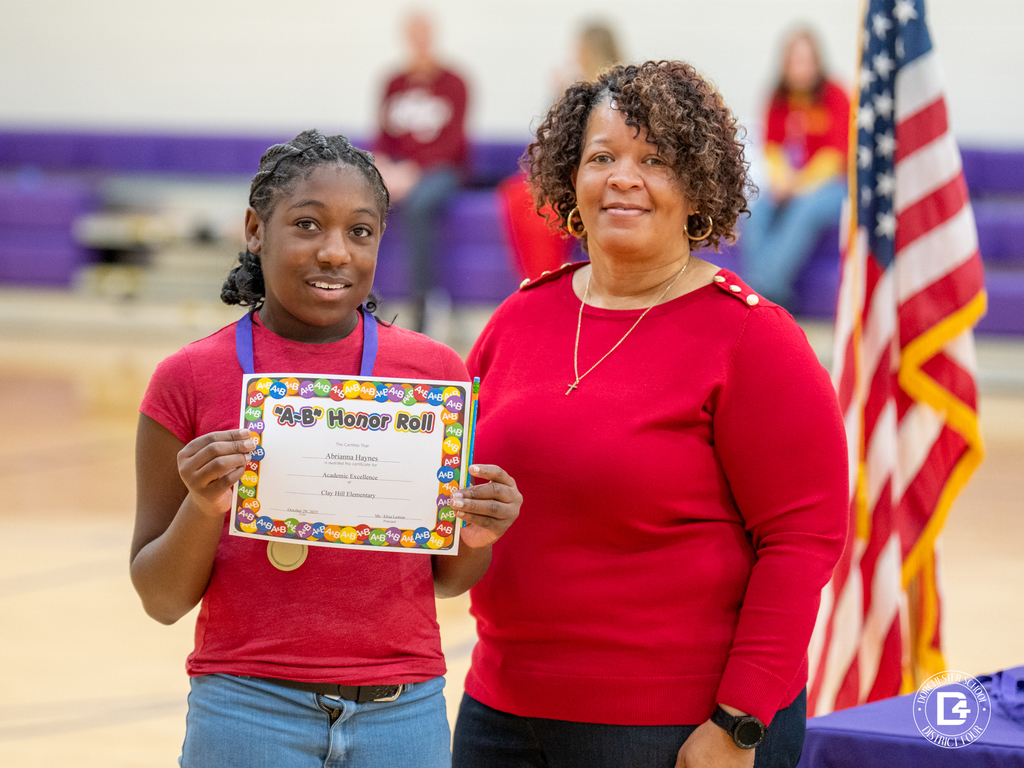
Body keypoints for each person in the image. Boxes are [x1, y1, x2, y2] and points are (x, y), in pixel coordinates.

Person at [451, 62, 849, 768]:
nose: (622, 178)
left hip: (676, 725)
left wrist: (739, 723)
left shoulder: (754, 339)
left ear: (698, 187)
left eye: (654, 160)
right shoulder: (519, 318)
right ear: (570, 178)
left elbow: (803, 541)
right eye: (601, 157)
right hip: (500, 714)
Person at [130, 129, 521, 767]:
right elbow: (161, 599)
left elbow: (448, 580)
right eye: (308, 225)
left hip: (402, 712)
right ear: (256, 229)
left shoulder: (433, 377)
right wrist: (203, 506)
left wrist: (480, 534)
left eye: (360, 232)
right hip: (245, 708)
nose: (335, 252)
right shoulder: (188, 379)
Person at [499, 20, 624, 282]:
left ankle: (544, 280)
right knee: (518, 193)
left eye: (579, 49)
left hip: (596, 170)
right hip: (570, 168)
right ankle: (538, 280)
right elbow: (552, 137)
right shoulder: (574, 87)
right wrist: (559, 95)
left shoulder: (618, 88)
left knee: (539, 202)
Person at [741, 28, 850, 309]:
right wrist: (781, 182)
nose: (800, 67)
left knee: (806, 210)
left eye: (806, 60)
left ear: (818, 63)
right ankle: (767, 290)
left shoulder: (836, 96)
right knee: (755, 210)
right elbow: (772, 149)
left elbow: (835, 156)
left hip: (833, 186)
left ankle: (762, 289)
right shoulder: (777, 98)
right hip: (788, 185)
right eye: (794, 61)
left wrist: (798, 186)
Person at [374, 11, 468, 333]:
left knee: (419, 204)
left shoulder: (455, 83)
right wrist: (384, 166)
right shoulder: (393, 83)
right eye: (413, 35)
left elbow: (453, 143)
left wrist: (412, 171)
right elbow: (383, 137)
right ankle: (363, 296)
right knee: (363, 201)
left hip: (443, 172)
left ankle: (424, 302)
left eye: (424, 34)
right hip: (400, 171)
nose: (419, 42)